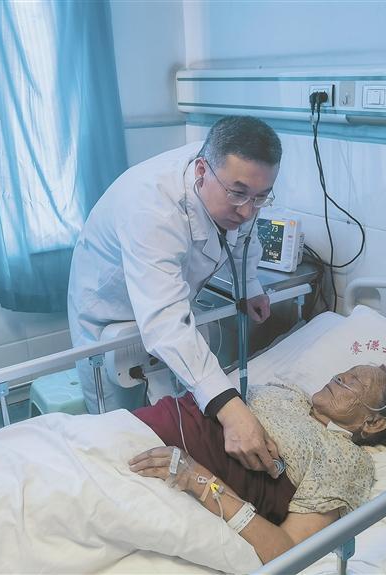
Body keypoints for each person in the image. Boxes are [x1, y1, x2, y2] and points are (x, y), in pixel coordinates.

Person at [68, 116, 284, 478]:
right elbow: (165, 322)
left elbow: (245, 237)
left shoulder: (240, 178)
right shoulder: (151, 207)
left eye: (261, 197)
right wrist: (230, 407)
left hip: (165, 299)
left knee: (169, 413)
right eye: (238, 194)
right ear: (201, 171)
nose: (248, 209)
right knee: (115, 431)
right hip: (109, 308)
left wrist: (249, 287)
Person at [129, 364, 386, 564]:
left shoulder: (347, 460)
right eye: (347, 371)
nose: (340, 376)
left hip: (168, 468)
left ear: (374, 422)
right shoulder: (289, 392)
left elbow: (286, 550)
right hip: (141, 424)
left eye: (356, 382)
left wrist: (200, 479)